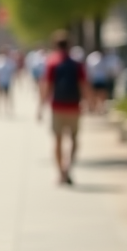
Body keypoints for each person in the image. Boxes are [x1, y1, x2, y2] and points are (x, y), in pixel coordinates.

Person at [39, 33, 88, 185]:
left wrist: (40, 107)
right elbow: (83, 85)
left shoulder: (52, 63)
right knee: (74, 139)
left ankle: (60, 172)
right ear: (69, 46)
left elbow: (47, 86)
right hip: (74, 106)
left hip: (57, 106)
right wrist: (89, 103)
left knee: (58, 140)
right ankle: (68, 168)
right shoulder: (76, 64)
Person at [0, 48, 16, 114]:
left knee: (7, 95)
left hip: (7, 81)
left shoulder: (9, 60)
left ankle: (7, 109)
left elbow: (12, 71)